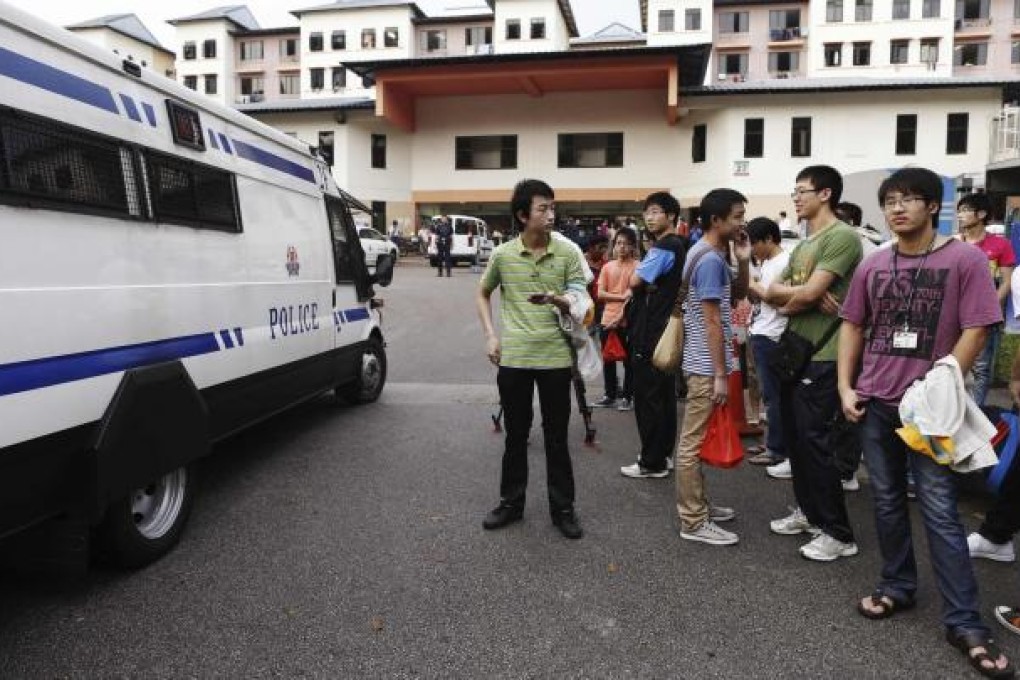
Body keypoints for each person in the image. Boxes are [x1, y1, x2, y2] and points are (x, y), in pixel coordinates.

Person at [839, 167, 1012, 679]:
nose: (899, 208)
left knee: (939, 509)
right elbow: (853, 324)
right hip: (876, 401)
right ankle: (897, 586)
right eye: (890, 200)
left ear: (934, 206)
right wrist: (847, 387)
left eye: (911, 199)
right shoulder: (873, 264)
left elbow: (978, 328)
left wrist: (939, 384)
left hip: (931, 413)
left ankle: (965, 622)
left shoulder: (964, 260)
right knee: (887, 501)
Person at [476, 179, 588, 540]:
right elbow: (482, 293)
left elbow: (582, 301)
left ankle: (564, 509)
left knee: (557, 438)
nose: (551, 214)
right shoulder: (503, 255)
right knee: (516, 436)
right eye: (543, 208)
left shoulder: (568, 253)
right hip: (515, 360)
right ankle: (511, 503)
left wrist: (558, 300)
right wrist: (491, 335)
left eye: (553, 207)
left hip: (556, 359)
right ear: (523, 215)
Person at [763, 165, 862, 562]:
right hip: (797, 351)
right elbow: (772, 292)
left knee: (817, 444)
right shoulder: (804, 243)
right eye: (795, 191)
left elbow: (804, 297)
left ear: (825, 194)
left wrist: (797, 295)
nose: (795, 198)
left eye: (802, 191)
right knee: (797, 442)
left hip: (824, 355)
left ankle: (839, 533)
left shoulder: (841, 237)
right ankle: (809, 513)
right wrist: (796, 293)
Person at [673, 189, 751, 546]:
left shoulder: (712, 254)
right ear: (716, 220)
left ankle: (699, 505)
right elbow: (712, 322)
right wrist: (721, 375)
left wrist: (744, 260)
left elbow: (733, 297)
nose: (742, 222)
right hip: (706, 367)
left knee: (695, 439)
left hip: (704, 364)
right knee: (690, 444)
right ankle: (693, 520)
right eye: (736, 216)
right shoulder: (708, 259)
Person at [619, 192, 687, 480]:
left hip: (651, 332)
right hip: (669, 330)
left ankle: (651, 462)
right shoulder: (685, 245)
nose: (649, 217)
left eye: (656, 211)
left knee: (647, 398)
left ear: (671, 215)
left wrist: (643, 285)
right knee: (665, 396)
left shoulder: (664, 248)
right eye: (647, 212)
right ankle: (662, 455)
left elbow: (634, 281)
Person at [959, 192, 1015, 406]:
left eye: (965, 210)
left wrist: (988, 307)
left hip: (984, 316)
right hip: (955, 315)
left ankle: (976, 416)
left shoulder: (1001, 245)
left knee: (981, 368)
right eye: (959, 211)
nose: (960, 215)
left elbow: (1007, 282)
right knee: (951, 364)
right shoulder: (954, 244)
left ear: (981, 214)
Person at [745, 217, 790, 467]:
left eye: (754, 243)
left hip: (772, 335)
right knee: (767, 394)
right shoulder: (769, 262)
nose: (752, 249)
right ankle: (772, 441)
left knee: (773, 396)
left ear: (769, 239)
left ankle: (776, 448)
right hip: (762, 331)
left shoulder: (783, 262)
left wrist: (752, 284)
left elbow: (778, 300)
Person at [593, 228, 638, 410]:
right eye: (619, 243)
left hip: (629, 320)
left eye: (626, 244)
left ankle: (628, 396)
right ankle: (609, 395)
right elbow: (600, 294)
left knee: (629, 361)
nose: (622, 247)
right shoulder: (607, 267)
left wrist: (624, 296)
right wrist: (622, 297)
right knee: (608, 359)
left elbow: (633, 294)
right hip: (607, 319)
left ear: (633, 247)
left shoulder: (638, 266)